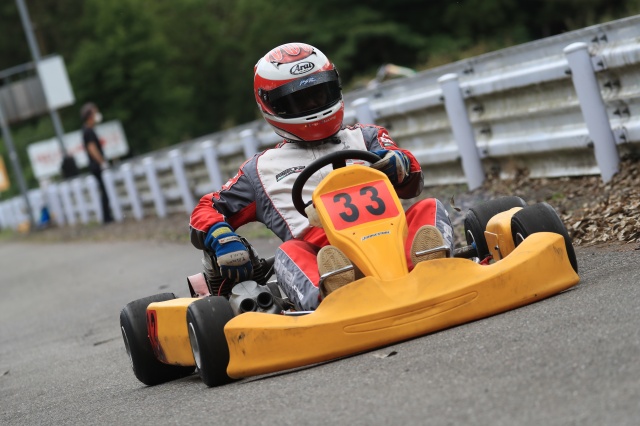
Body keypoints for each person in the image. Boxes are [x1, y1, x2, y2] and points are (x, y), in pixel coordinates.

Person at [190, 43, 454, 311]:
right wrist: (221, 235)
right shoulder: (260, 171)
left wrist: (400, 163)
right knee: (289, 252)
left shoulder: (367, 138)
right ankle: (333, 292)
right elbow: (207, 208)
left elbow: (411, 181)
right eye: (298, 100)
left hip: (393, 241)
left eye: (319, 93)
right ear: (272, 105)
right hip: (323, 256)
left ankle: (429, 268)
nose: (312, 105)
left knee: (429, 207)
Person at [81, 102, 113, 223]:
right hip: (96, 165)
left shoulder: (88, 130)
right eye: (95, 112)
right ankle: (107, 217)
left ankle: (107, 216)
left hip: (95, 165)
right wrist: (102, 162)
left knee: (104, 190)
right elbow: (92, 148)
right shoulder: (88, 131)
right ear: (90, 115)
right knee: (104, 190)